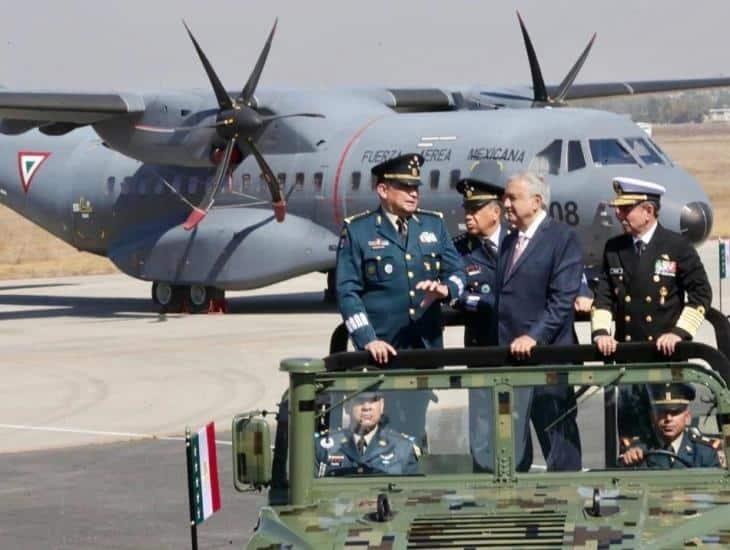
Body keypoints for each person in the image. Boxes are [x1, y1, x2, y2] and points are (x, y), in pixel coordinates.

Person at [336, 153, 465, 441]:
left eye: (416, 188)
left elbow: (457, 271)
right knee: (378, 429)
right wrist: (368, 338)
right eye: (405, 188)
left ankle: (416, 478)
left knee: (415, 428)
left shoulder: (432, 225)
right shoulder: (359, 231)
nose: (413, 194)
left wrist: (448, 290)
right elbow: (347, 292)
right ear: (383, 190)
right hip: (380, 352)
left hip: (422, 350)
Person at [591, 177, 712, 448]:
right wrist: (601, 333)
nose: (618, 214)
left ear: (648, 211)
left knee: (666, 432)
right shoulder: (615, 249)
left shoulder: (676, 246)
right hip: (628, 359)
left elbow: (701, 293)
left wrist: (679, 333)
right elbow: (603, 298)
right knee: (631, 439)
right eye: (618, 209)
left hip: (665, 359)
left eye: (625, 209)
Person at [494, 171, 584, 471]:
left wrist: (534, 337)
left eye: (512, 198)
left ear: (536, 201)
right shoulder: (509, 242)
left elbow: (561, 302)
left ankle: (569, 508)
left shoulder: (562, 238)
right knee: (513, 449)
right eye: (505, 197)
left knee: (559, 446)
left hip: (548, 361)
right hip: (511, 365)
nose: (505, 204)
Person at [452, 176, 505, 471]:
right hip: (481, 348)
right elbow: (455, 295)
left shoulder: (516, 242)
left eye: (475, 209)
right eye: (466, 210)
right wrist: (486, 304)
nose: (468, 216)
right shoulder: (460, 250)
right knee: (483, 423)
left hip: (518, 349)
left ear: (495, 212)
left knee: (520, 421)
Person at [315, 392, 421, 476]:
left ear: (382, 405)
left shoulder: (402, 448)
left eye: (373, 400)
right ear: (347, 405)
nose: (367, 407)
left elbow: (411, 495)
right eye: (359, 400)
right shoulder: (324, 446)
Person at [620, 383, 721, 468]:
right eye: (662, 412)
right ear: (652, 416)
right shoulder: (638, 452)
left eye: (675, 412)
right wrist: (628, 462)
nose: (668, 418)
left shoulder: (704, 454)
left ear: (687, 417)